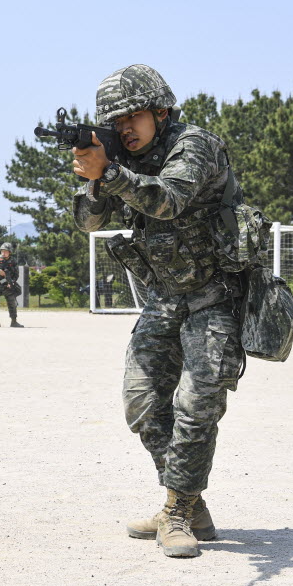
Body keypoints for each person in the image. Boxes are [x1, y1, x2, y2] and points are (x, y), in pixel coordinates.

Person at [71, 64, 249, 558]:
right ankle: (188, 503)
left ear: (160, 110)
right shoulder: (126, 162)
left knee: (197, 408)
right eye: (116, 120)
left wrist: (110, 171)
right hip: (165, 299)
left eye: (134, 116)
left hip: (216, 298)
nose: (125, 127)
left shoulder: (194, 146)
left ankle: (176, 511)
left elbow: (168, 200)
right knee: (143, 402)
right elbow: (89, 222)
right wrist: (94, 178)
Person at [0, 243, 23, 328]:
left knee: (12, 302)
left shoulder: (13, 261)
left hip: (7, 285)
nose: (3, 253)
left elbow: (16, 274)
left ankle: (14, 321)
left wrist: (11, 282)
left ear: (10, 252)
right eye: (2, 251)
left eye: (6, 251)